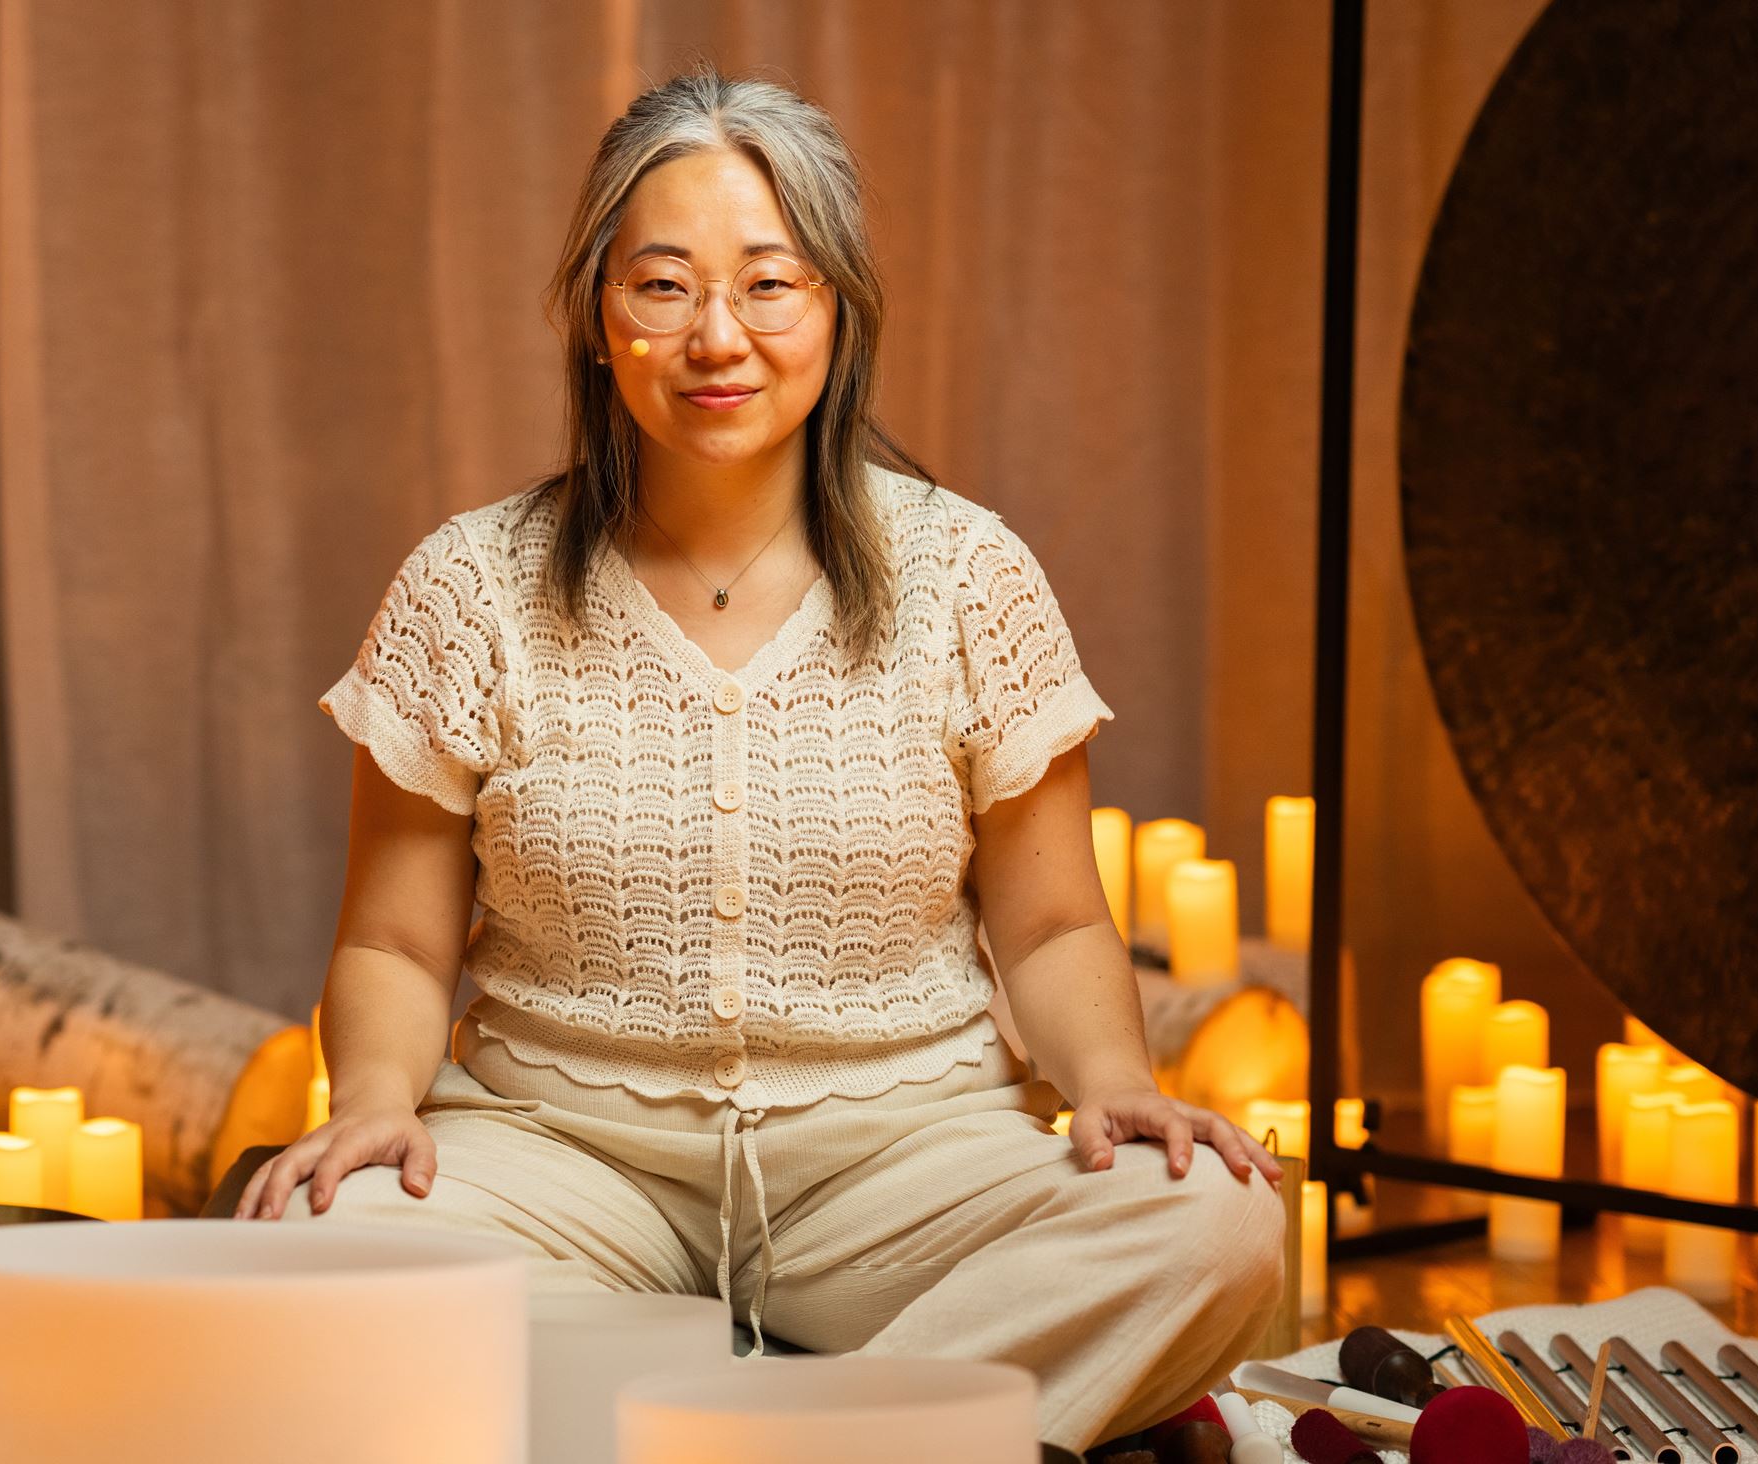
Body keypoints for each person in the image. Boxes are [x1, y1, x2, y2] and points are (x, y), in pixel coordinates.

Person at [236, 65, 1283, 1454]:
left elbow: (1048, 920)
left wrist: (1115, 1089)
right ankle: (882, 1430)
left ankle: (745, 1436)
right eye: (663, 285)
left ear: (837, 311)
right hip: (563, 1158)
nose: (715, 335)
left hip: (901, 1164)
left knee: (1215, 1222)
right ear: (597, 320)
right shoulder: (469, 585)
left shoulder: (967, 573)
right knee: (330, 1245)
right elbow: (394, 944)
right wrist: (370, 1108)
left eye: (769, 284)